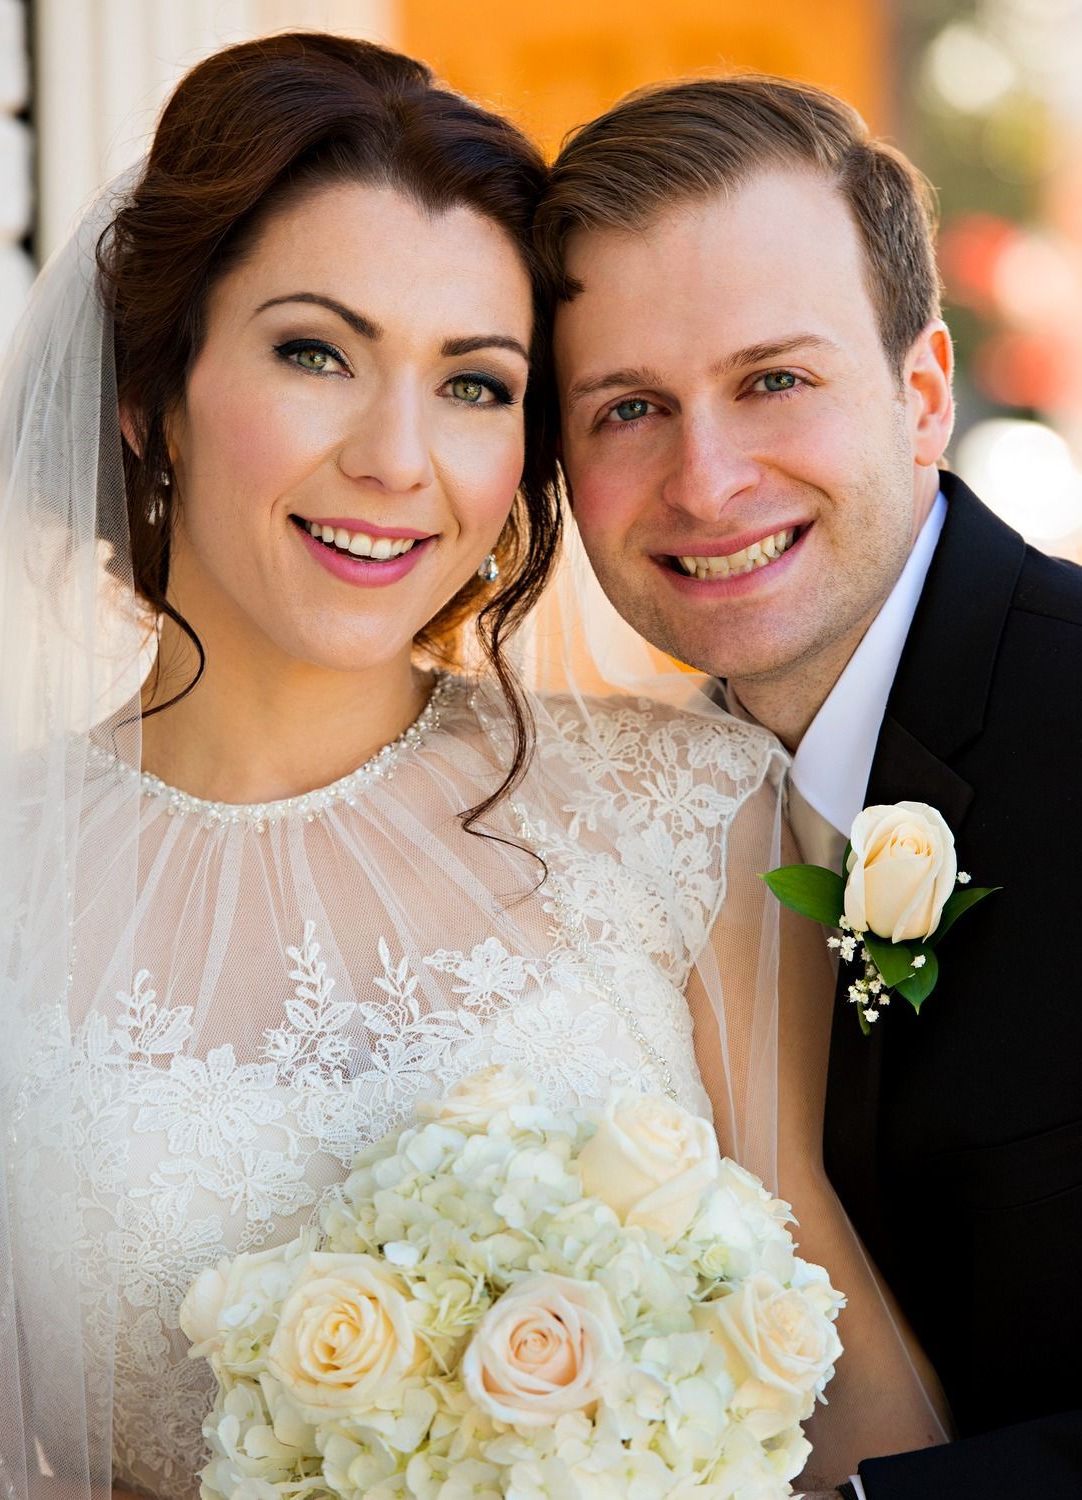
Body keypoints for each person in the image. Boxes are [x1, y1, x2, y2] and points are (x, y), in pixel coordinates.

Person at [0, 35, 942, 1499]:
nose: (399, 460)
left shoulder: (684, 816)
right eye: (316, 352)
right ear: (151, 395)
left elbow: (833, 1363)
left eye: (475, 385)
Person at [540, 72, 1082, 1500]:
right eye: (627, 407)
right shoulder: (606, 821)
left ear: (921, 396)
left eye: (773, 381)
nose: (706, 482)